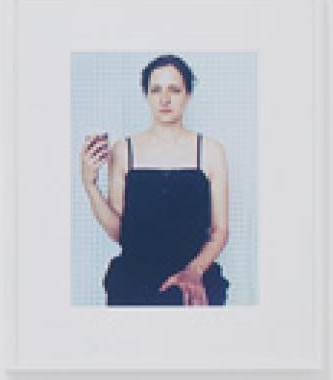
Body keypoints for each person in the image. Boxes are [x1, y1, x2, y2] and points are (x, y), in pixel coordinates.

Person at [79, 54, 230, 306]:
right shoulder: (123, 150)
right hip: (133, 280)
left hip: (196, 278)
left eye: (174, 90)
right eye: (156, 90)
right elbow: (119, 233)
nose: (165, 99)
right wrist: (89, 184)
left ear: (188, 95)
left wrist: (193, 272)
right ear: (146, 95)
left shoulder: (211, 151)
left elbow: (220, 230)